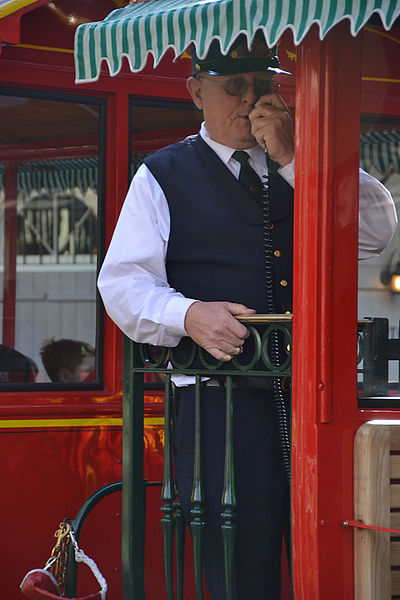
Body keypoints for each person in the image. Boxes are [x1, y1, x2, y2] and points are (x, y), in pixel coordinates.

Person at [97, 32, 397, 599]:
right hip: (218, 402)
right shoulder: (162, 173)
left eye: (262, 87)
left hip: (316, 395)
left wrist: (294, 158)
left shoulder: (303, 156)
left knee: (339, 556)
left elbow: (378, 235)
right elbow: (123, 284)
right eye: (233, 88)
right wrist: (188, 315)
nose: (249, 102)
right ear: (195, 92)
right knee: (239, 567)